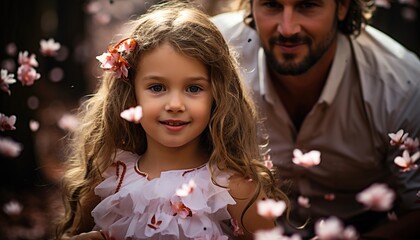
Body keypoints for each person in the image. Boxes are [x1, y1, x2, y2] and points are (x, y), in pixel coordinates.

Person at [54, 2, 290, 239]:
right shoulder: (109, 178)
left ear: (217, 96)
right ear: (130, 93)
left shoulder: (235, 190)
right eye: (157, 87)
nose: (175, 104)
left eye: (194, 88)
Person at [211, 0, 420, 238]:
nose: (287, 29)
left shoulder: (403, 87)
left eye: (307, 6)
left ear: (342, 7)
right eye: (271, 5)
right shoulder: (213, 52)